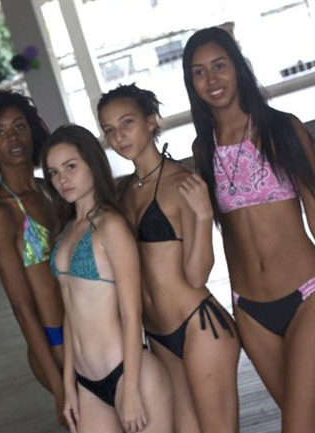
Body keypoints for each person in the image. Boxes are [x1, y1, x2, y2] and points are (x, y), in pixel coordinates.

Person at [182, 27, 315, 433]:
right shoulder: (204, 150)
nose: (212, 79)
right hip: (251, 312)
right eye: (199, 72)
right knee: (312, 421)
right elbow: (226, 235)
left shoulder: (283, 130)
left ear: (238, 68)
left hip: (309, 296)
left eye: (219, 66)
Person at [98, 83, 240, 432]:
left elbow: (197, 275)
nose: (119, 136)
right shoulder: (121, 192)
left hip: (199, 327)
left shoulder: (183, 183)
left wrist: (204, 218)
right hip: (158, 336)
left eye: (127, 123)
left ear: (150, 121)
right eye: (109, 130)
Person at [42, 124, 172, 433]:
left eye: (71, 166)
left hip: (129, 371)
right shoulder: (64, 231)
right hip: (86, 382)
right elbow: (70, 314)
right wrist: (69, 384)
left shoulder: (110, 225)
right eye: (53, 172)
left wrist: (131, 390)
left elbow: (132, 313)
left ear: (92, 163)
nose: (62, 179)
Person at [0, 90, 66, 424]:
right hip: (56, 342)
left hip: (92, 326)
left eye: (19, 126)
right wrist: (59, 387)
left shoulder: (54, 187)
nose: (12, 138)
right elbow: (22, 308)